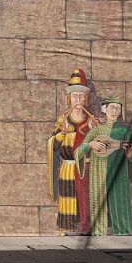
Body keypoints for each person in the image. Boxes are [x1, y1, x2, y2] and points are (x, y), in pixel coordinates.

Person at [75, 96, 132, 235]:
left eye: (117, 108)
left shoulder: (124, 132)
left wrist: (129, 154)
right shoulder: (95, 131)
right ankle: (98, 233)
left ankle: (123, 233)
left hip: (118, 174)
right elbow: (79, 151)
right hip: (98, 174)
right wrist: (90, 145)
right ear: (105, 109)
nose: (114, 111)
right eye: (112, 108)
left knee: (119, 203)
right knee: (98, 204)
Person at [48, 68, 97, 235]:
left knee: (84, 197)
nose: (78, 99)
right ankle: (68, 227)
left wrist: (94, 130)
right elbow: (53, 143)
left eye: (81, 96)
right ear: (70, 98)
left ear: (86, 99)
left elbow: (95, 143)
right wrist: (62, 133)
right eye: (75, 95)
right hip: (68, 167)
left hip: (84, 166)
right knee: (69, 194)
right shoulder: (63, 119)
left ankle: (85, 226)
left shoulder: (90, 120)